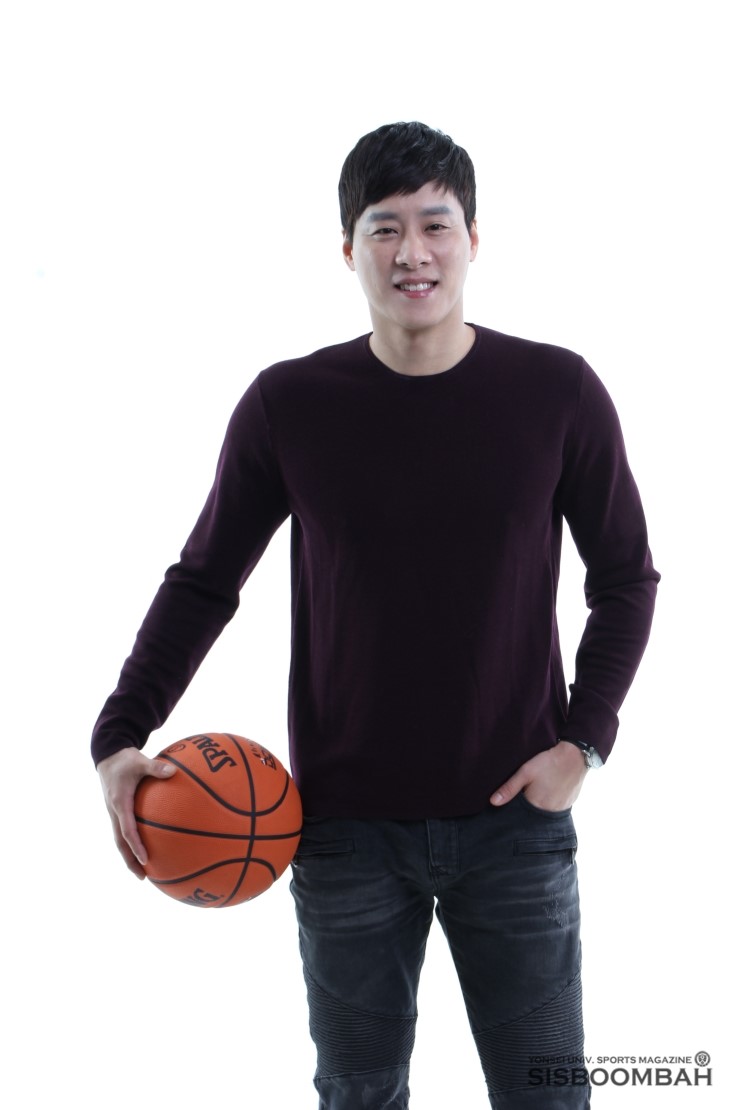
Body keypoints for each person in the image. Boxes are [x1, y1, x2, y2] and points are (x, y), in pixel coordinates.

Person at [93, 121, 659, 1108]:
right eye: (383, 228)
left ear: (473, 239)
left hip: (514, 824)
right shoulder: (289, 404)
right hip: (342, 826)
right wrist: (118, 734)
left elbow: (624, 578)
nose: (412, 253)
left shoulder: (556, 391)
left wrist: (585, 743)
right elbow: (203, 582)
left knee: (546, 1094)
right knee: (357, 1096)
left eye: (435, 225)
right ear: (346, 248)